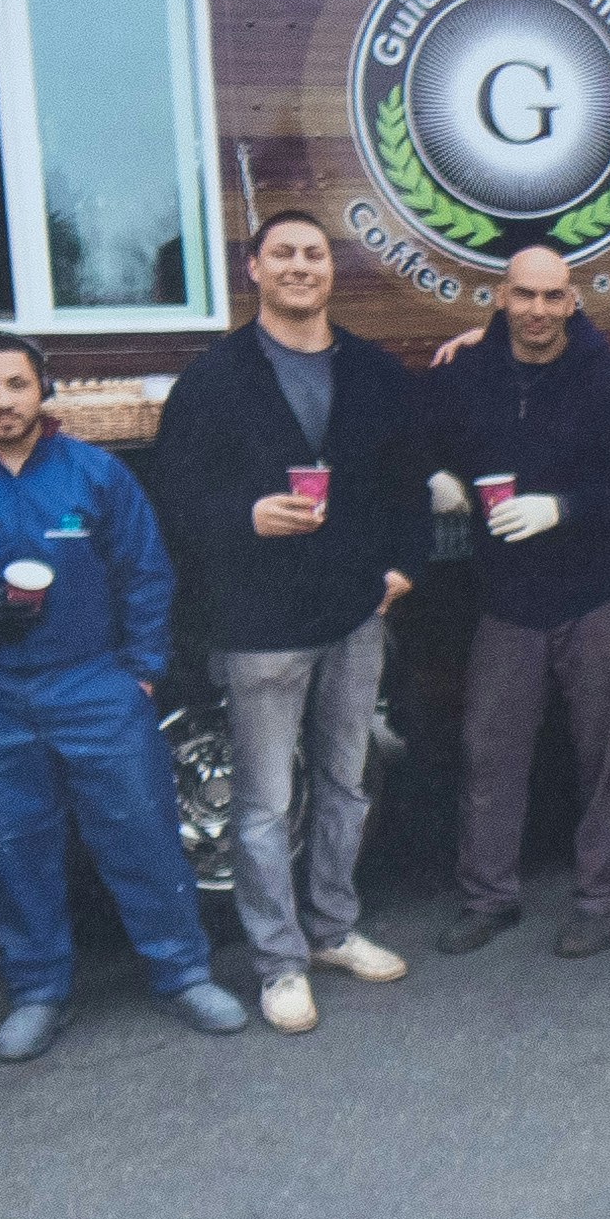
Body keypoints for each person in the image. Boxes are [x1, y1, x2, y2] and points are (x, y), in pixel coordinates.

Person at [0, 336, 246, 1060]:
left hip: (94, 681)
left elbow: (145, 571)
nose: (2, 400)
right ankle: (38, 991)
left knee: (142, 832)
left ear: (44, 391)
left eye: (16, 384)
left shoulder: (95, 473)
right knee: (14, 844)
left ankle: (183, 973)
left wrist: (140, 668)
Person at [135, 207, 424, 1021]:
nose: (300, 266)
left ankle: (334, 928)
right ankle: (277, 961)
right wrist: (244, 517)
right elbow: (172, 501)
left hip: (354, 611)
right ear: (253, 269)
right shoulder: (213, 380)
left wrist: (402, 568)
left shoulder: (372, 371)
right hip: (256, 621)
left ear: (331, 271)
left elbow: (408, 479)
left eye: (314, 253)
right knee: (264, 805)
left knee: (345, 783)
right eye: (283, 254)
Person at [408, 230, 610, 953]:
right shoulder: (464, 373)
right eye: (524, 293)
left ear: (573, 300)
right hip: (507, 597)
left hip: (598, 592)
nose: (539, 309)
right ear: (500, 296)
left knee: (607, 755)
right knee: (489, 752)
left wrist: (563, 506)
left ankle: (601, 898)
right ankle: (488, 896)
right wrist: (434, 474)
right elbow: (410, 435)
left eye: (554, 296)